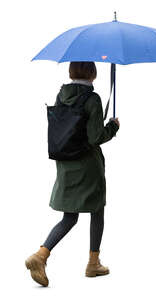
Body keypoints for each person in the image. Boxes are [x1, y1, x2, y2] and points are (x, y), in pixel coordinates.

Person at [25, 61, 120, 286]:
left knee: (70, 216)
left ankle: (40, 255)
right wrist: (113, 127)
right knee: (97, 209)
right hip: (88, 165)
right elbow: (96, 137)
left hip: (66, 164)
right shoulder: (92, 99)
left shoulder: (62, 95)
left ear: (71, 72)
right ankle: (93, 264)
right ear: (93, 74)